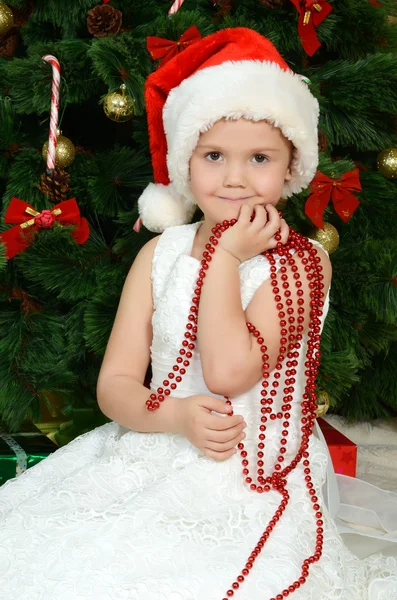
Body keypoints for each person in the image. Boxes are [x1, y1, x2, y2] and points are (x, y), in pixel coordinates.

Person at [0, 27, 396, 600]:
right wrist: (173, 418)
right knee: (49, 549)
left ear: (291, 168)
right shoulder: (159, 255)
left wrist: (228, 257)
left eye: (258, 157)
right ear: (187, 164)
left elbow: (230, 373)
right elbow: (115, 384)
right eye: (214, 156)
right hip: (156, 438)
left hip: (244, 474)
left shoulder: (302, 264)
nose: (234, 177)